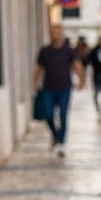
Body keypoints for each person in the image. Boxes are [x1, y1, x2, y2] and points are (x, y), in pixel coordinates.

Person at [33, 24, 86, 157]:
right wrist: (35, 82)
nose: (55, 35)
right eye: (53, 32)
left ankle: (61, 142)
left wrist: (81, 80)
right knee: (48, 114)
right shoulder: (45, 51)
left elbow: (77, 65)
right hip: (48, 88)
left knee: (63, 115)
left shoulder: (69, 50)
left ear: (61, 33)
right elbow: (39, 68)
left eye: (57, 32)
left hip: (64, 88)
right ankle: (55, 135)